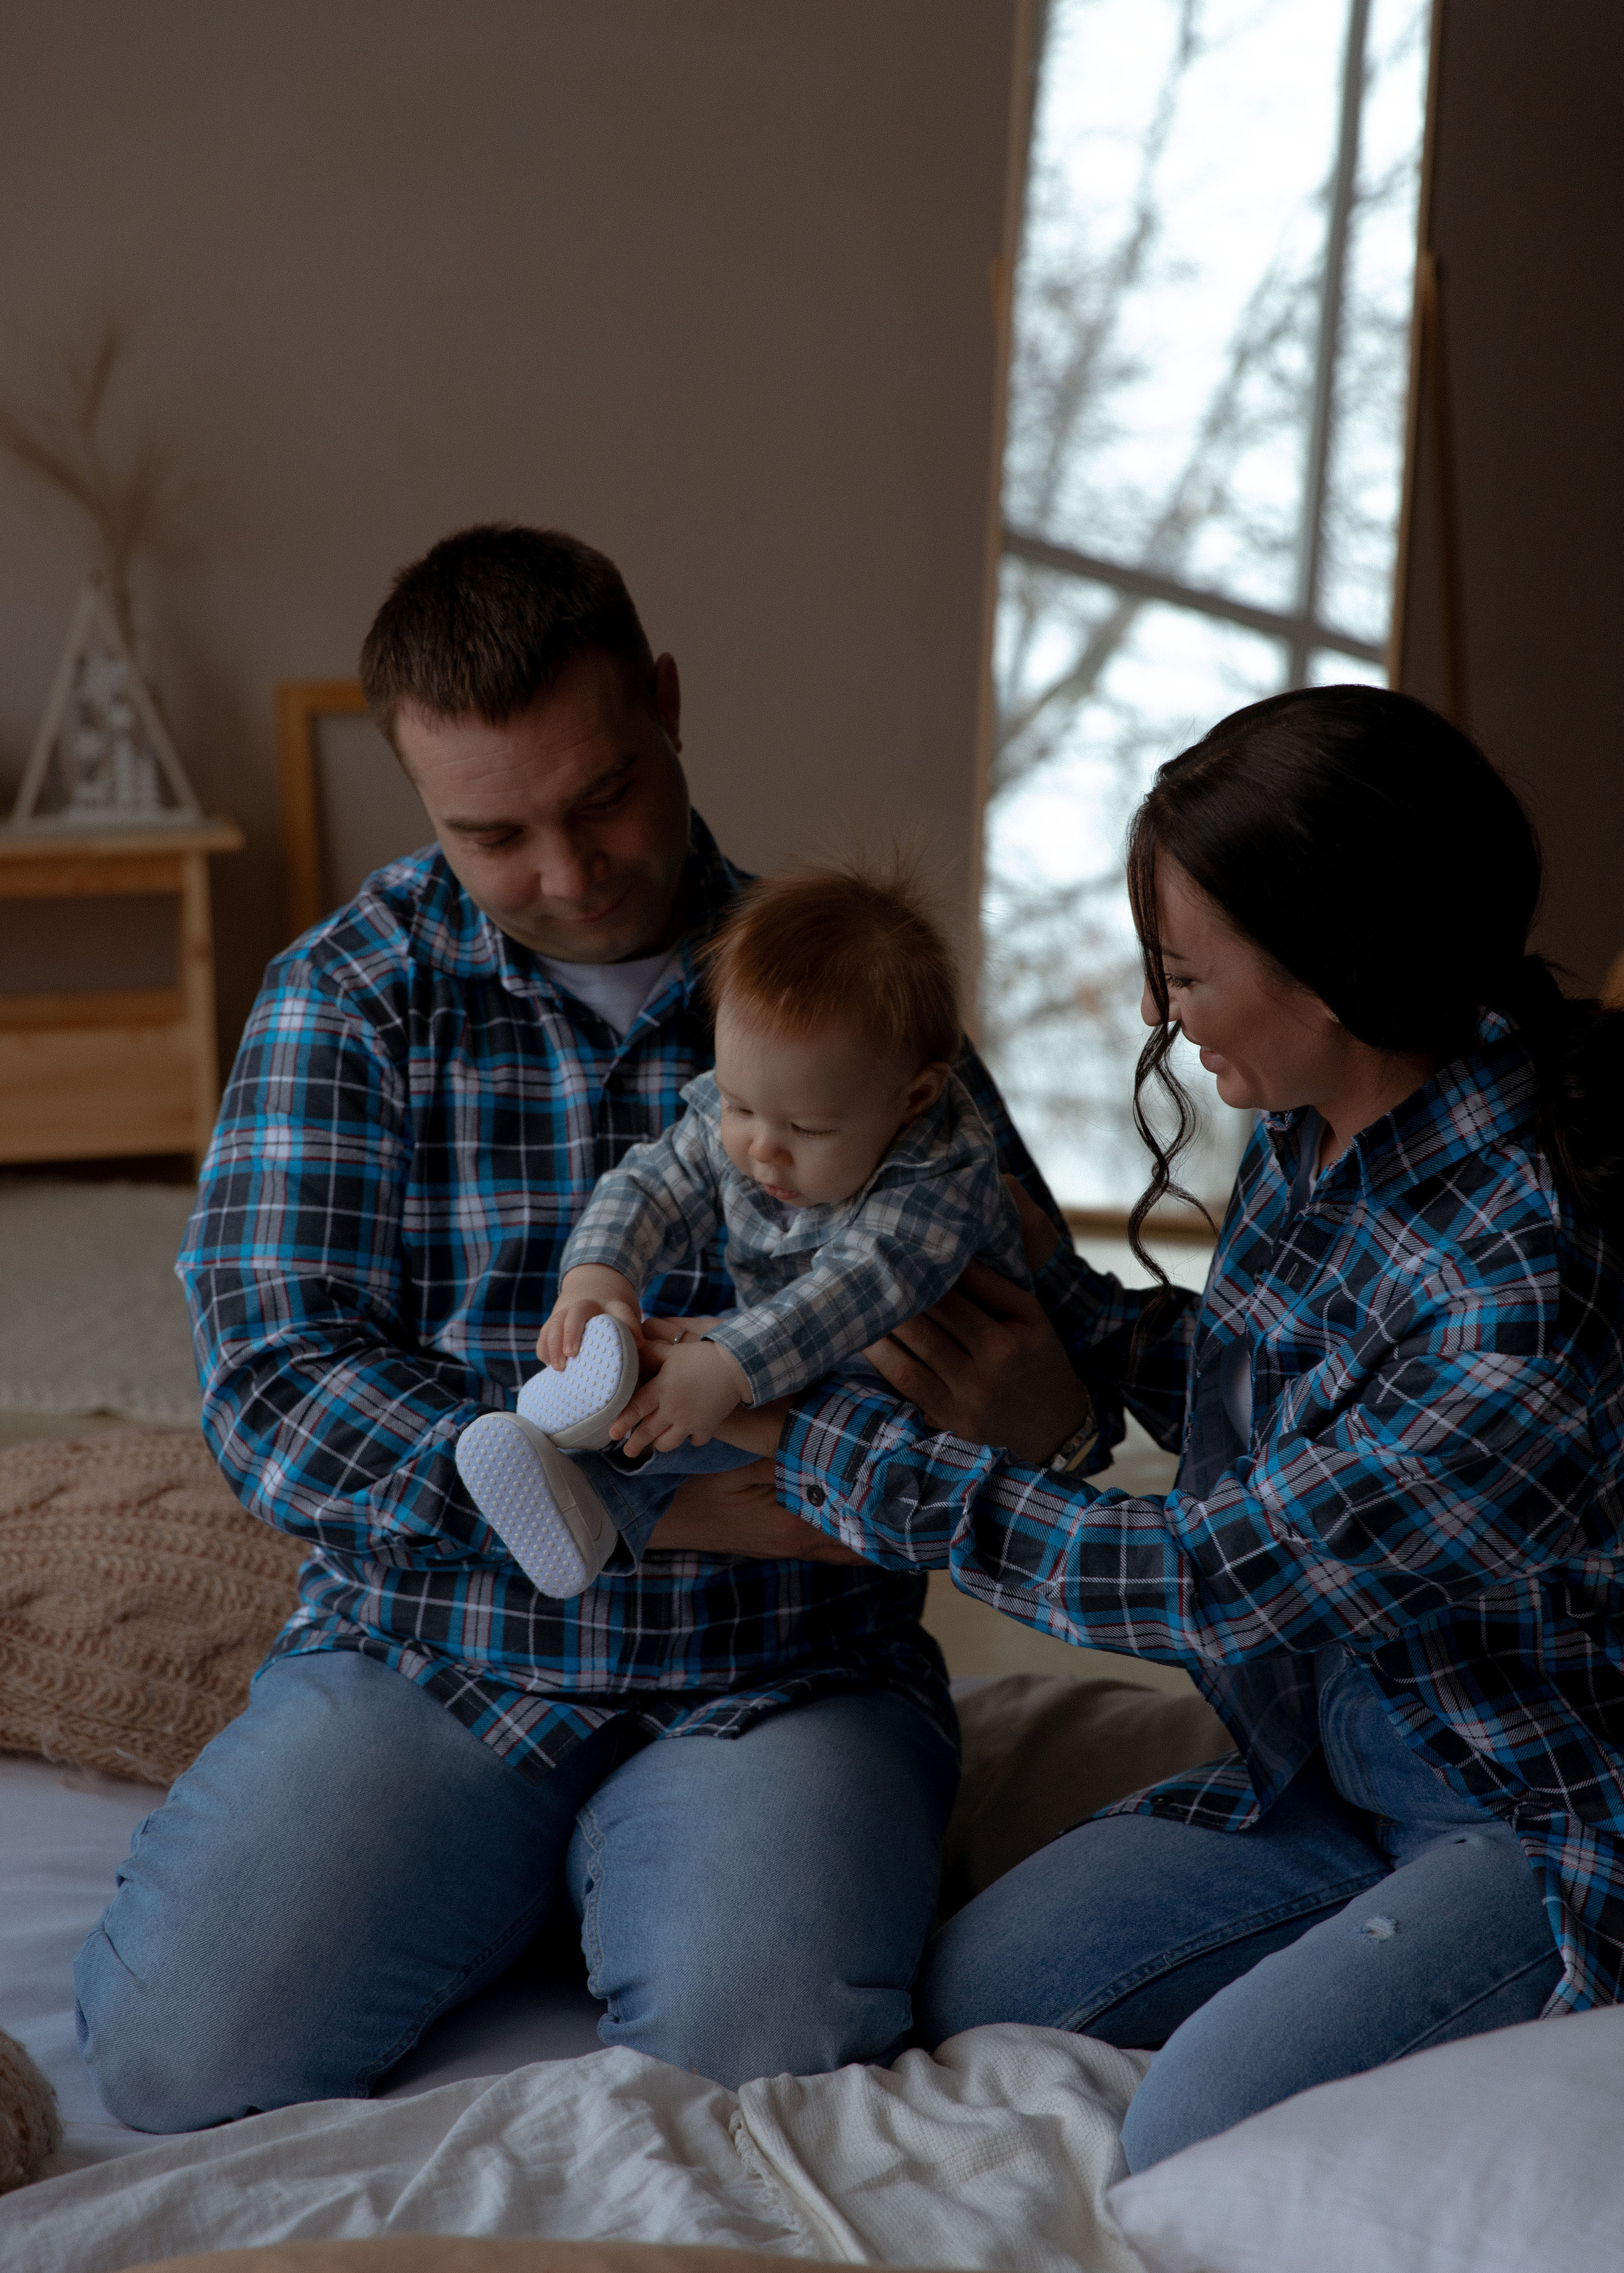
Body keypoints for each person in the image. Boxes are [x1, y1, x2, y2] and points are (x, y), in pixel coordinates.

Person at [72, 523, 1075, 2132]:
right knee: (176, 2055)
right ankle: (514, 1870)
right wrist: (655, 1506)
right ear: (419, 796)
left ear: (666, 703)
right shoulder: (349, 993)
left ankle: (634, 1874)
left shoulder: (845, 983)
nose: (566, 868)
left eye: (601, 795)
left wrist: (1039, 1410)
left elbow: (1051, 1350)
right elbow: (273, 1378)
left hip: (780, 1672)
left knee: (760, 2055)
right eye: (493, 833)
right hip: (432, 1653)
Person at [717, 688, 1624, 2170]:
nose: (1157, 1013)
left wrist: (833, 1456)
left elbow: (1215, 1572)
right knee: (979, 1990)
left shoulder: (1515, 1294)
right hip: (1319, 1755)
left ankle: (1478, 1969)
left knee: (1189, 2139)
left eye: (1184, 974)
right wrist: (1062, 1312)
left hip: (1516, 1808)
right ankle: (1361, 1947)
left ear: (1331, 971)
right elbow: (1298, 1403)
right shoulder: (1315, 1119)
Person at [455, 860, 1028, 1599]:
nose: (760, 1148)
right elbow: (652, 1183)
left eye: (808, 1128)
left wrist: (728, 1365)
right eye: (736, 1106)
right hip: (783, 1349)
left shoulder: (940, 1179)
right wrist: (601, 1273)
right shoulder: (763, 1115)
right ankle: (580, 1467)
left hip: (913, 1384)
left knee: (745, 1395)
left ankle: (599, 1468)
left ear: (912, 1098)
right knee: (673, 1395)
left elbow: (851, 1292)